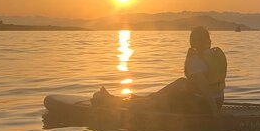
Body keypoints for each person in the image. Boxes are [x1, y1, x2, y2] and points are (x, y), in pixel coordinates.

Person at [93, 26, 227, 116]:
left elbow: (205, 90)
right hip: (218, 101)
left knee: (164, 98)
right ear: (208, 42)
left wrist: (216, 116)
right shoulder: (214, 56)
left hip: (202, 106)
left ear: (193, 43)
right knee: (181, 82)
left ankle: (112, 102)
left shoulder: (195, 61)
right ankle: (148, 98)